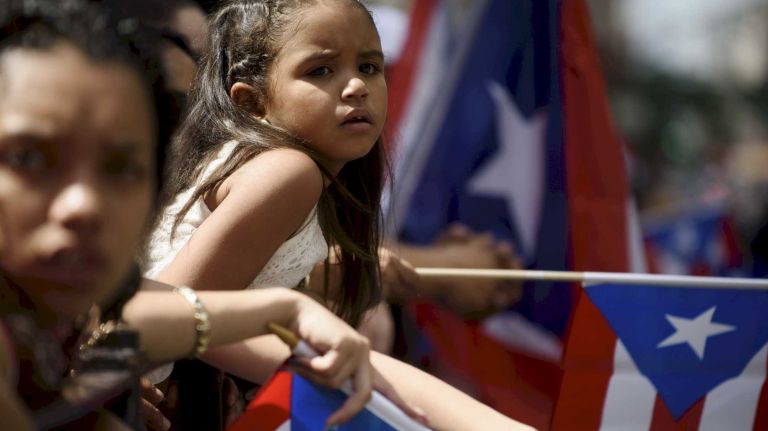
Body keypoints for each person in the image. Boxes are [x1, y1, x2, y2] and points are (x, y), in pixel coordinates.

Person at [145, 0, 532, 429]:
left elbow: (214, 326)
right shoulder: (288, 173)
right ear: (252, 102)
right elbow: (170, 311)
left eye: (368, 67)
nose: (355, 87)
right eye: (321, 71)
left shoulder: (296, 175)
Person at [0, 1, 383, 428]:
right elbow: (161, 302)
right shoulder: (290, 172)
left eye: (123, 169)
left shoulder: (46, 347)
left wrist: (290, 310)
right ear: (250, 100)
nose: (83, 205)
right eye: (28, 158)